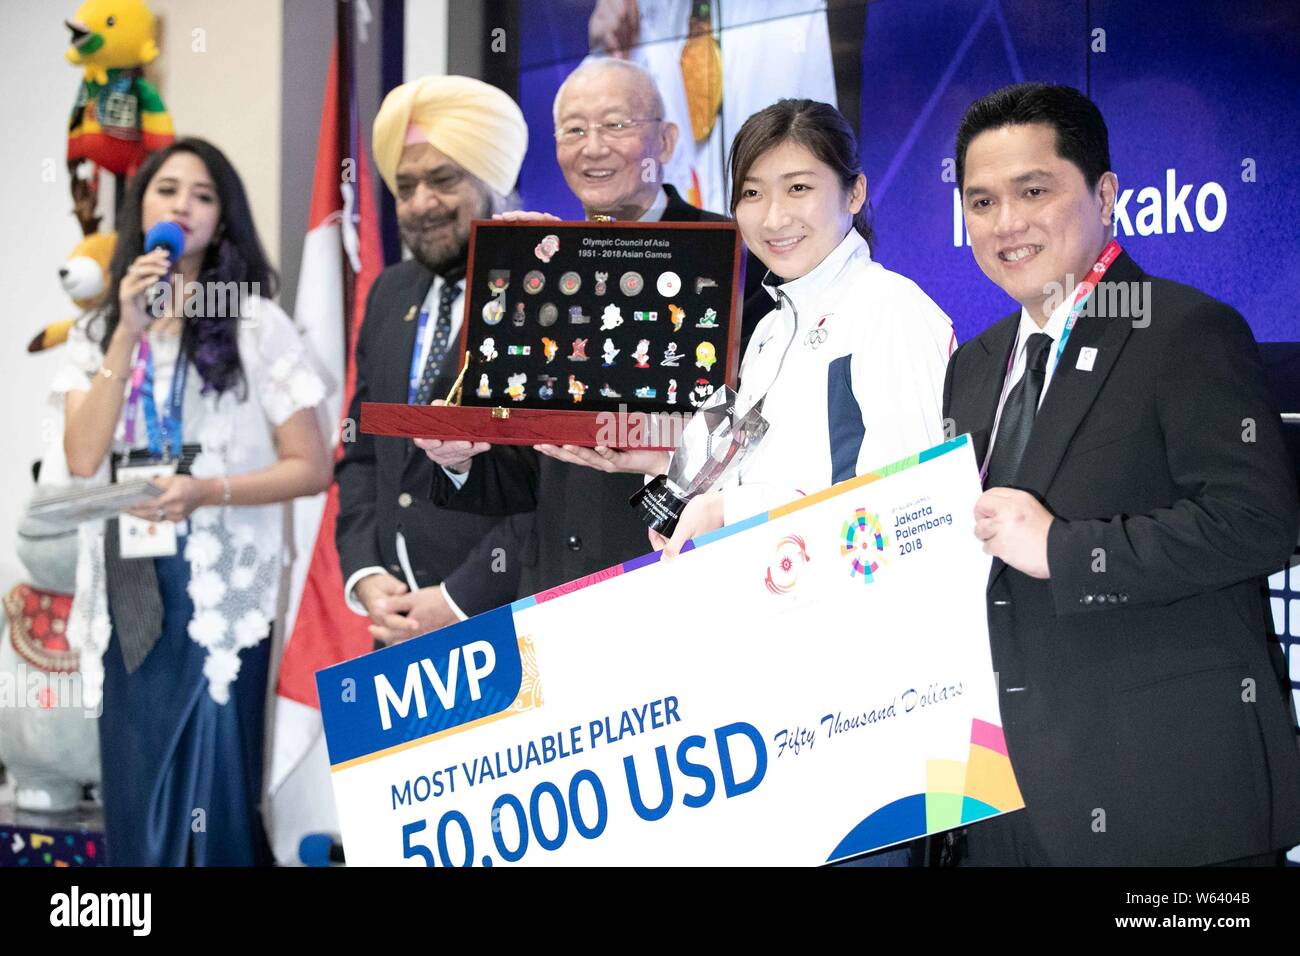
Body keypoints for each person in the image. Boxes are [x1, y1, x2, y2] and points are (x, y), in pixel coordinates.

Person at [944, 82, 1300, 865]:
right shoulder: (973, 365)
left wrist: (1063, 551)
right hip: (1006, 804)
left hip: (1167, 795)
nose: (1006, 224)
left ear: (1104, 195)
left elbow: (1260, 523)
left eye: (1034, 191)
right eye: (982, 201)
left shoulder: (1182, 328)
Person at [59, 138, 332, 865]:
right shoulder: (97, 331)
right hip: (130, 581)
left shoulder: (255, 324)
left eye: (203, 195)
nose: (183, 205)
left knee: (214, 795)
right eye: (167, 189)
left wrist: (208, 489)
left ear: (221, 219)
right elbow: (83, 456)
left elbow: (311, 467)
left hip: (219, 593)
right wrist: (126, 327)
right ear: (140, 208)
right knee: (134, 785)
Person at [418, 60, 738, 607]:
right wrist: (459, 457)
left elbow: (747, 432)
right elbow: (520, 471)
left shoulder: (727, 251)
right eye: (573, 130)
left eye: (615, 124)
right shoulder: (537, 264)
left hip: (674, 582)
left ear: (665, 138)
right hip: (551, 595)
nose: (592, 147)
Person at [335, 76, 532, 644]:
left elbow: (556, 480)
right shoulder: (389, 291)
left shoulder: (545, 289)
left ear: (495, 177)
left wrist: (457, 599)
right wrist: (369, 577)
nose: (422, 203)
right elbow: (364, 452)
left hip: (505, 617)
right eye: (405, 186)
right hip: (395, 622)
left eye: (444, 179)